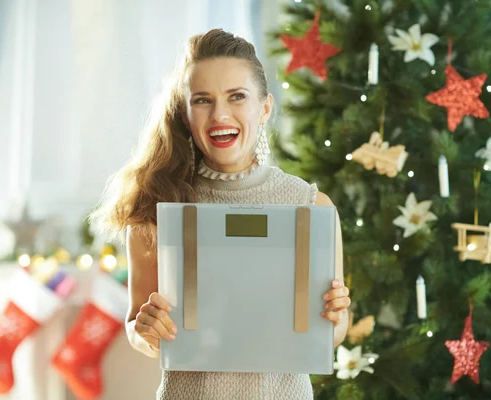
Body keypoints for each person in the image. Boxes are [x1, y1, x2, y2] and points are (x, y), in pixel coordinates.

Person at [90, 28, 351, 400]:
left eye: (237, 97)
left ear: (264, 108)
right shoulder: (159, 209)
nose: (219, 114)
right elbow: (139, 328)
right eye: (202, 100)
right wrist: (145, 331)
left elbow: (331, 332)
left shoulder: (312, 207)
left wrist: (337, 318)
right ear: (185, 113)